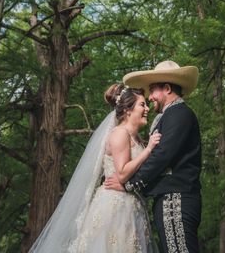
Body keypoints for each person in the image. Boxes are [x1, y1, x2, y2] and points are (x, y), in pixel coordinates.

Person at [28, 84, 161, 253]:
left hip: (130, 207)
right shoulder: (120, 133)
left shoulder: (136, 137)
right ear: (128, 110)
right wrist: (148, 150)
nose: (147, 108)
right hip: (114, 207)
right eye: (142, 104)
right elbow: (122, 173)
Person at [105, 60, 202, 253]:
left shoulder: (179, 114)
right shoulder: (170, 115)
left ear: (167, 88)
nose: (150, 98)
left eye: (152, 91)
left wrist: (128, 185)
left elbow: (161, 156)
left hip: (176, 199)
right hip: (168, 199)